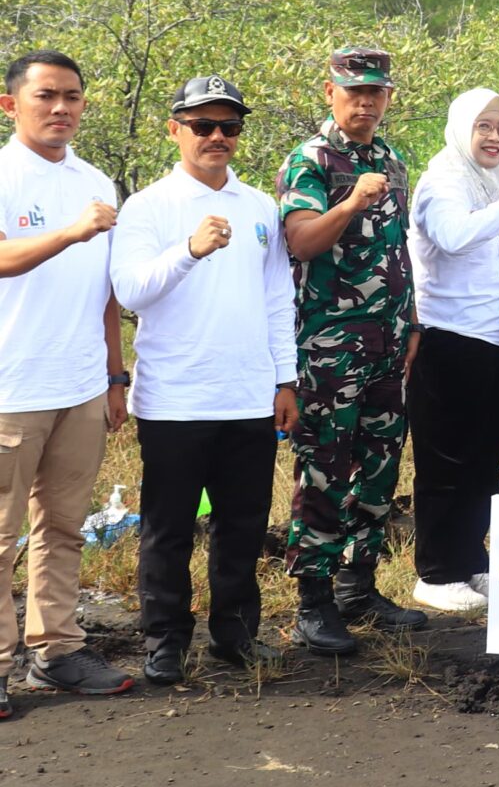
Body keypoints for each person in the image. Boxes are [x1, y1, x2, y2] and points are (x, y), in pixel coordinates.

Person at [111, 75, 297, 682]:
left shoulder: (260, 207)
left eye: (229, 127)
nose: (217, 137)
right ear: (175, 130)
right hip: (175, 398)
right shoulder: (148, 206)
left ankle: (236, 634)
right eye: (203, 126)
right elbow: (130, 289)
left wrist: (285, 379)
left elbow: (277, 298)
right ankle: (164, 637)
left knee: (241, 524)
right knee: (168, 529)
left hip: (246, 393)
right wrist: (188, 251)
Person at [276, 45, 428, 652]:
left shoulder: (390, 158)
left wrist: (412, 321)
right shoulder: (309, 161)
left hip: (388, 342)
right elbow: (301, 242)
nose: (366, 101)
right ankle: (312, 600)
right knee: (325, 466)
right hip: (331, 347)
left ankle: (357, 586)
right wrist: (351, 201)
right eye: (354, 91)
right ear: (330, 93)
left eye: (376, 92)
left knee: (379, 463)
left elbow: (399, 248)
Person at [0, 49, 134, 706]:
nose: (60, 108)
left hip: (80, 386)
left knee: (61, 528)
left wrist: (114, 376)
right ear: (11, 104)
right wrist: (70, 233)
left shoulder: (98, 182)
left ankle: (56, 650)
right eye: (46, 96)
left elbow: (105, 290)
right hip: (11, 390)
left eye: (72, 97)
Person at [405, 88, 499, 612]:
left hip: (494, 341)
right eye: (484, 127)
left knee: (486, 460)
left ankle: (470, 560)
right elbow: (453, 236)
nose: (494, 137)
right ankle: (436, 574)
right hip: (448, 339)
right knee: (446, 460)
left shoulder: (496, 181)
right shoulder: (444, 178)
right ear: (462, 129)